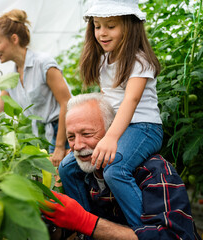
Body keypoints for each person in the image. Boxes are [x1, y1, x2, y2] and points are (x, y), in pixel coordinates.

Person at [41, 93, 201, 240]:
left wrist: (87, 222)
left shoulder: (155, 172)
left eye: (87, 134)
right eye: (71, 137)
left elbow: (175, 237)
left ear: (113, 131)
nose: (77, 145)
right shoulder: (79, 175)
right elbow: (68, 228)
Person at [66, 0, 163, 226]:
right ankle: (87, 225)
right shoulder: (103, 60)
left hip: (144, 128)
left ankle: (145, 230)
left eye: (110, 26)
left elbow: (131, 100)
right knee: (67, 168)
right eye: (97, 26)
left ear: (129, 27)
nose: (102, 33)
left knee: (115, 170)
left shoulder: (140, 60)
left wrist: (110, 137)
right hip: (117, 127)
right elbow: (106, 100)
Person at [0, 9, 71, 166]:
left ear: (14, 39)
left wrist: (59, 147)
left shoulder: (43, 64)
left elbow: (67, 102)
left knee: (62, 180)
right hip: (40, 135)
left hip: (63, 131)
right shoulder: (12, 78)